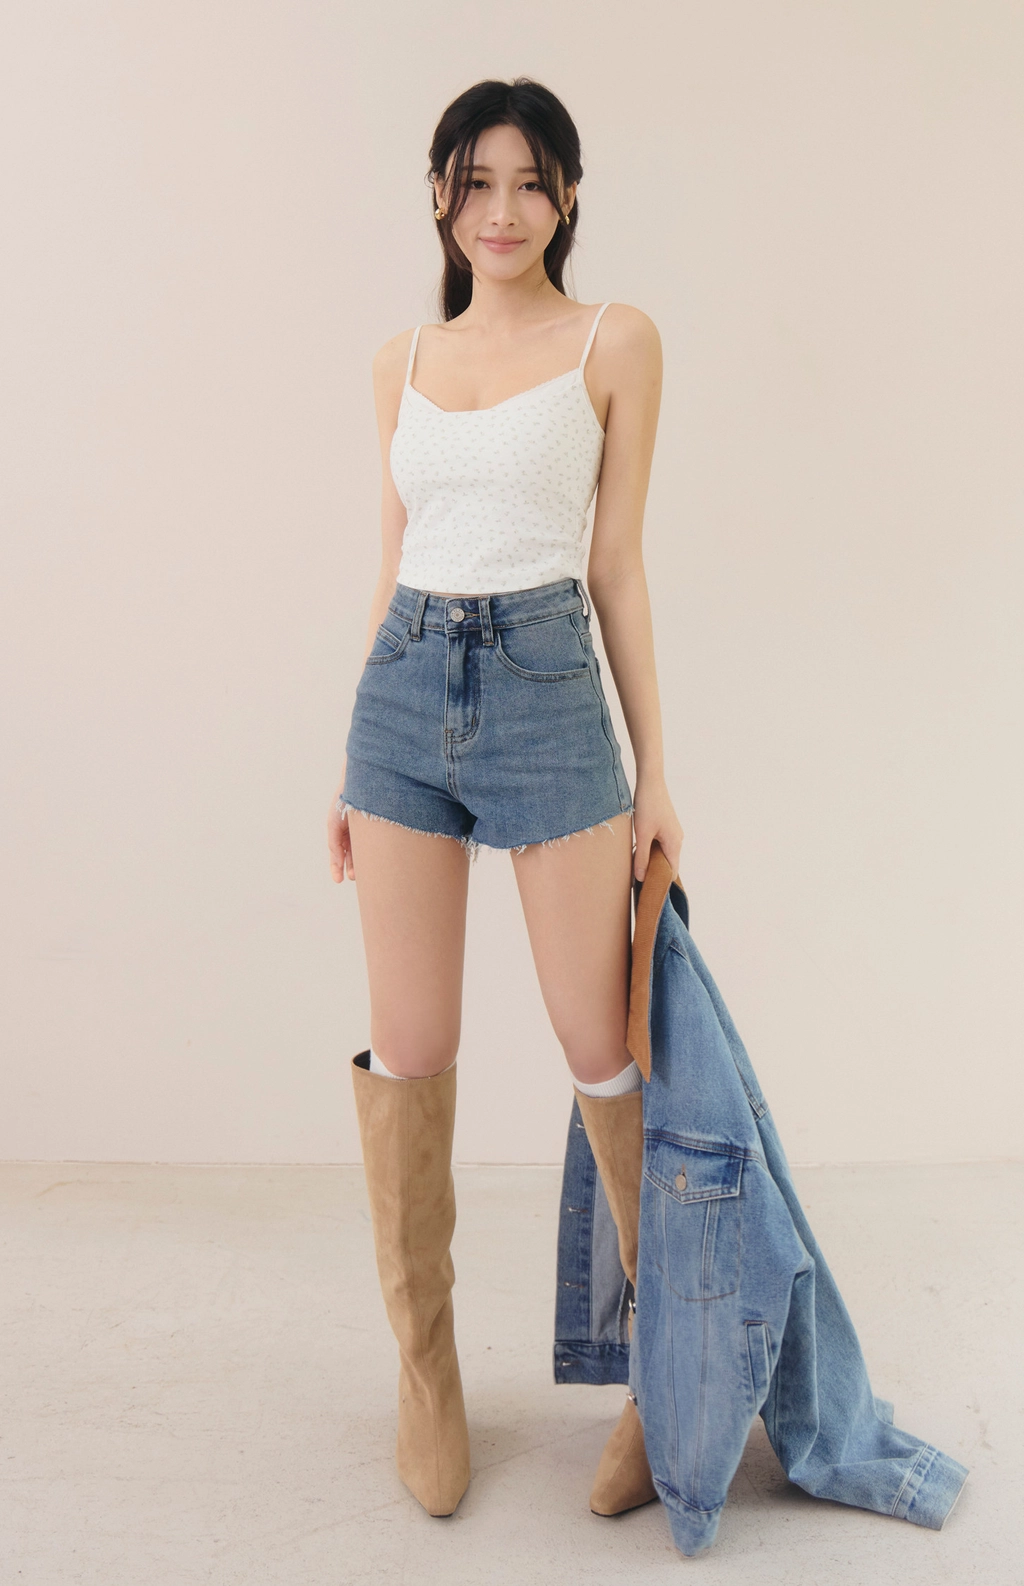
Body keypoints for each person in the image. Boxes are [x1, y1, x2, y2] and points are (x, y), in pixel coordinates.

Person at [327, 77, 684, 1520]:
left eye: (532, 182)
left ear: (569, 197)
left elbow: (617, 566)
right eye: (476, 182)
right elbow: (395, 553)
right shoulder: (399, 360)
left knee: (602, 1047)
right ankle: (428, 1377)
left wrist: (656, 771)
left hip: (547, 694)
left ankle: (666, 1379)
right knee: (411, 1052)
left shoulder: (615, 340)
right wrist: (348, 759)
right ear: (439, 196)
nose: (503, 210)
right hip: (402, 700)